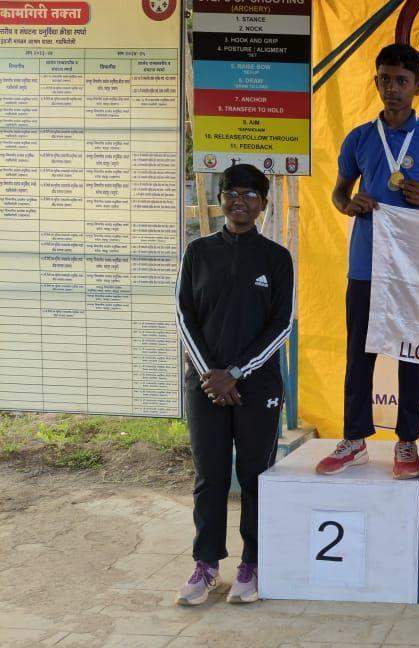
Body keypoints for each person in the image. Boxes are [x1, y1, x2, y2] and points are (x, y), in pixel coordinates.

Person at [315, 43, 419, 478]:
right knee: (359, 353)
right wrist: (349, 205)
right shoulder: (360, 138)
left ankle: (407, 442)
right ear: (375, 81)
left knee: (411, 354)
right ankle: (354, 439)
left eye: (401, 81)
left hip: (415, 267)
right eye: (385, 79)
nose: (392, 88)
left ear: (418, 86)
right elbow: (339, 191)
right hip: (367, 263)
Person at [175, 164, 294, 605]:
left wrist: (238, 373)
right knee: (210, 476)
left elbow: (282, 325)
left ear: (263, 204)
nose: (239, 202)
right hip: (206, 384)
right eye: (231, 194)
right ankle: (206, 563)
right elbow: (184, 316)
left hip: (256, 386)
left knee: (254, 475)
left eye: (250, 195)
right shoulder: (198, 252)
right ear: (220, 198)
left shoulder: (276, 258)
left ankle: (253, 564)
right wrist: (212, 374)